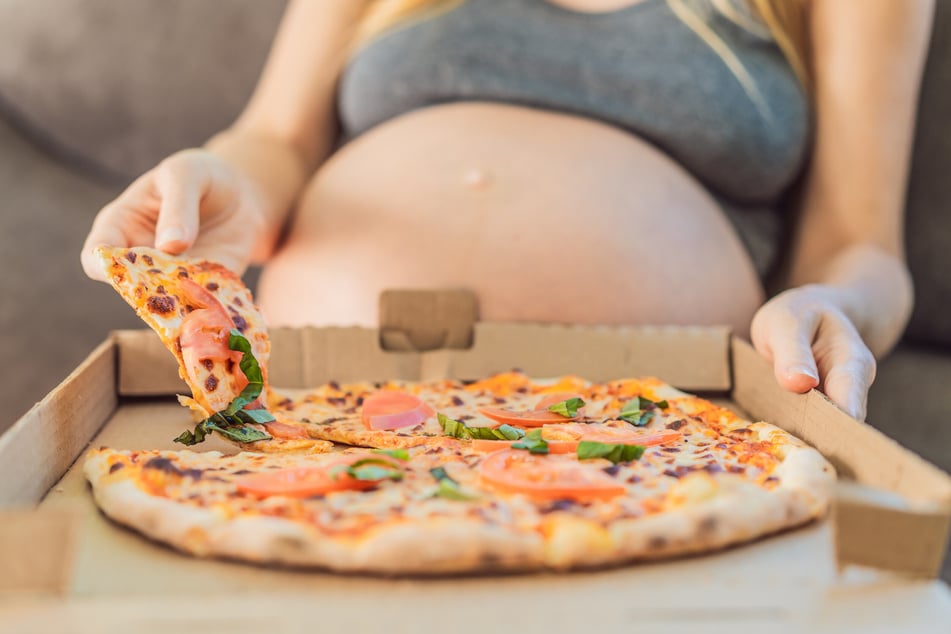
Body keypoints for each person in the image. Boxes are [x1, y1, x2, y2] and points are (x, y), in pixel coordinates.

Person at [81, 0, 934, 421]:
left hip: (655, 438)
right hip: (330, 418)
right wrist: (225, 175)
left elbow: (858, 247)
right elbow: (274, 138)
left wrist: (835, 307)